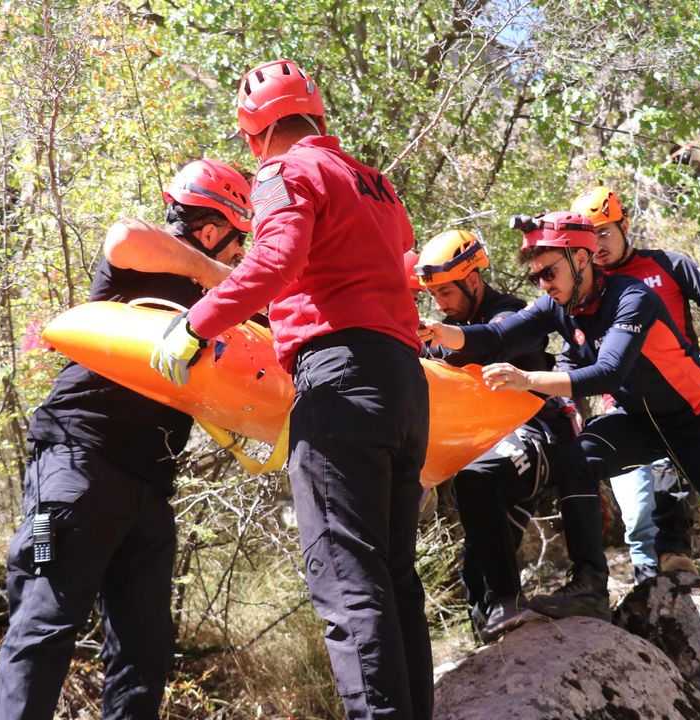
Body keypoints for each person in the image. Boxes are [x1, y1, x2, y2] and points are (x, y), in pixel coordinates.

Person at [419, 210, 700, 679]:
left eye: (550, 272)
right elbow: (497, 334)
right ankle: (589, 585)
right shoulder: (556, 304)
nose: (543, 284)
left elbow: (608, 373)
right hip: (638, 421)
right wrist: (445, 334)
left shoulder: (633, 297)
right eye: (536, 276)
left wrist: (528, 380)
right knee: (575, 459)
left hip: (696, 419)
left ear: (580, 259)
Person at [151, 59, 432, 719]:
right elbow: (401, 260)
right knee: (394, 577)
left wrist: (195, 325)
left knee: (348, 582)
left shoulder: (283, 172)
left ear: (256, 131)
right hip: (404, 385)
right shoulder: (377, 183)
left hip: (340, 385)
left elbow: (275, 261)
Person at [0, 158, 252, 720]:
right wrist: (213, 273)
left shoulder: (223, 299)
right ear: (211, 231)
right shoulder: (147, 258)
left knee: (145, 650)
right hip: (76, 462)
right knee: (44, 621)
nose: (239, 255)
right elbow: (124, 237)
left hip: (149, 486)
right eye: (238, 240)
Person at [572, 185, 700, 583]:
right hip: (621, 408)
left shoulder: (667, 264)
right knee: (636, 517)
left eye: (604, 233)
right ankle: (646, 588)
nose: (598, 245)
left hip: (678, 401)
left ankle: (675, 565)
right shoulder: (586, 289)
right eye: (589, 238)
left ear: (624, 226)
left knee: (671, 492)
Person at [413, 229, 561, 643]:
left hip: (532, 433)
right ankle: (493, 625)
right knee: (475, 579)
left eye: (446, 292)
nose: (440, 303)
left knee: (475, 481)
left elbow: (490, 344)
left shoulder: (512, 314)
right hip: (487, 446)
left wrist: (439, 341)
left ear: (473, 281)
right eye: (434, 295)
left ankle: (509, 601)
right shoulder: (446, 328)